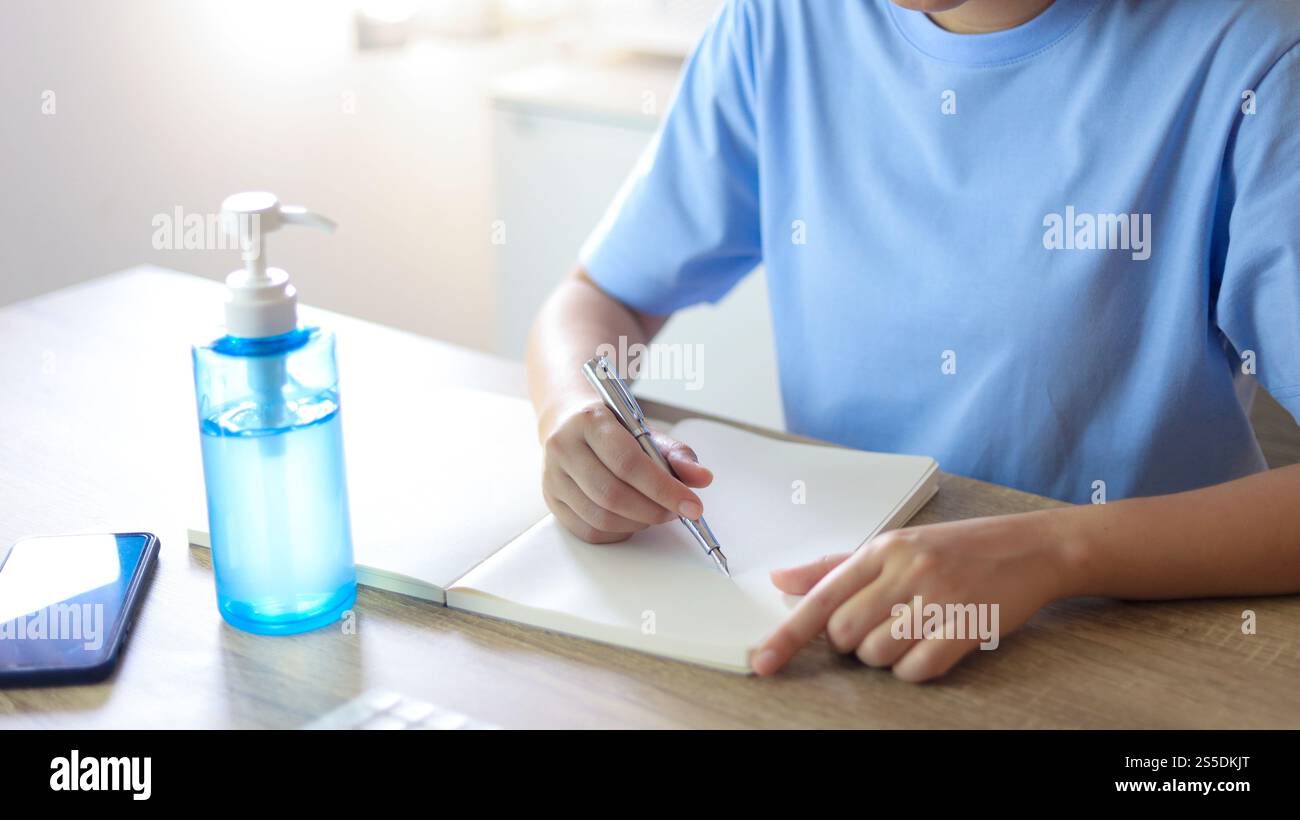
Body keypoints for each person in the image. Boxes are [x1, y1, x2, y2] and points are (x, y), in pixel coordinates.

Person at [525, 0, 1300, 681]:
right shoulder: (778, 23)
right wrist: (574, 410)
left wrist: (1059, 551)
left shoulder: (1254, 59)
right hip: (843, 640)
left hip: (1137, 651)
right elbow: (599, 297)